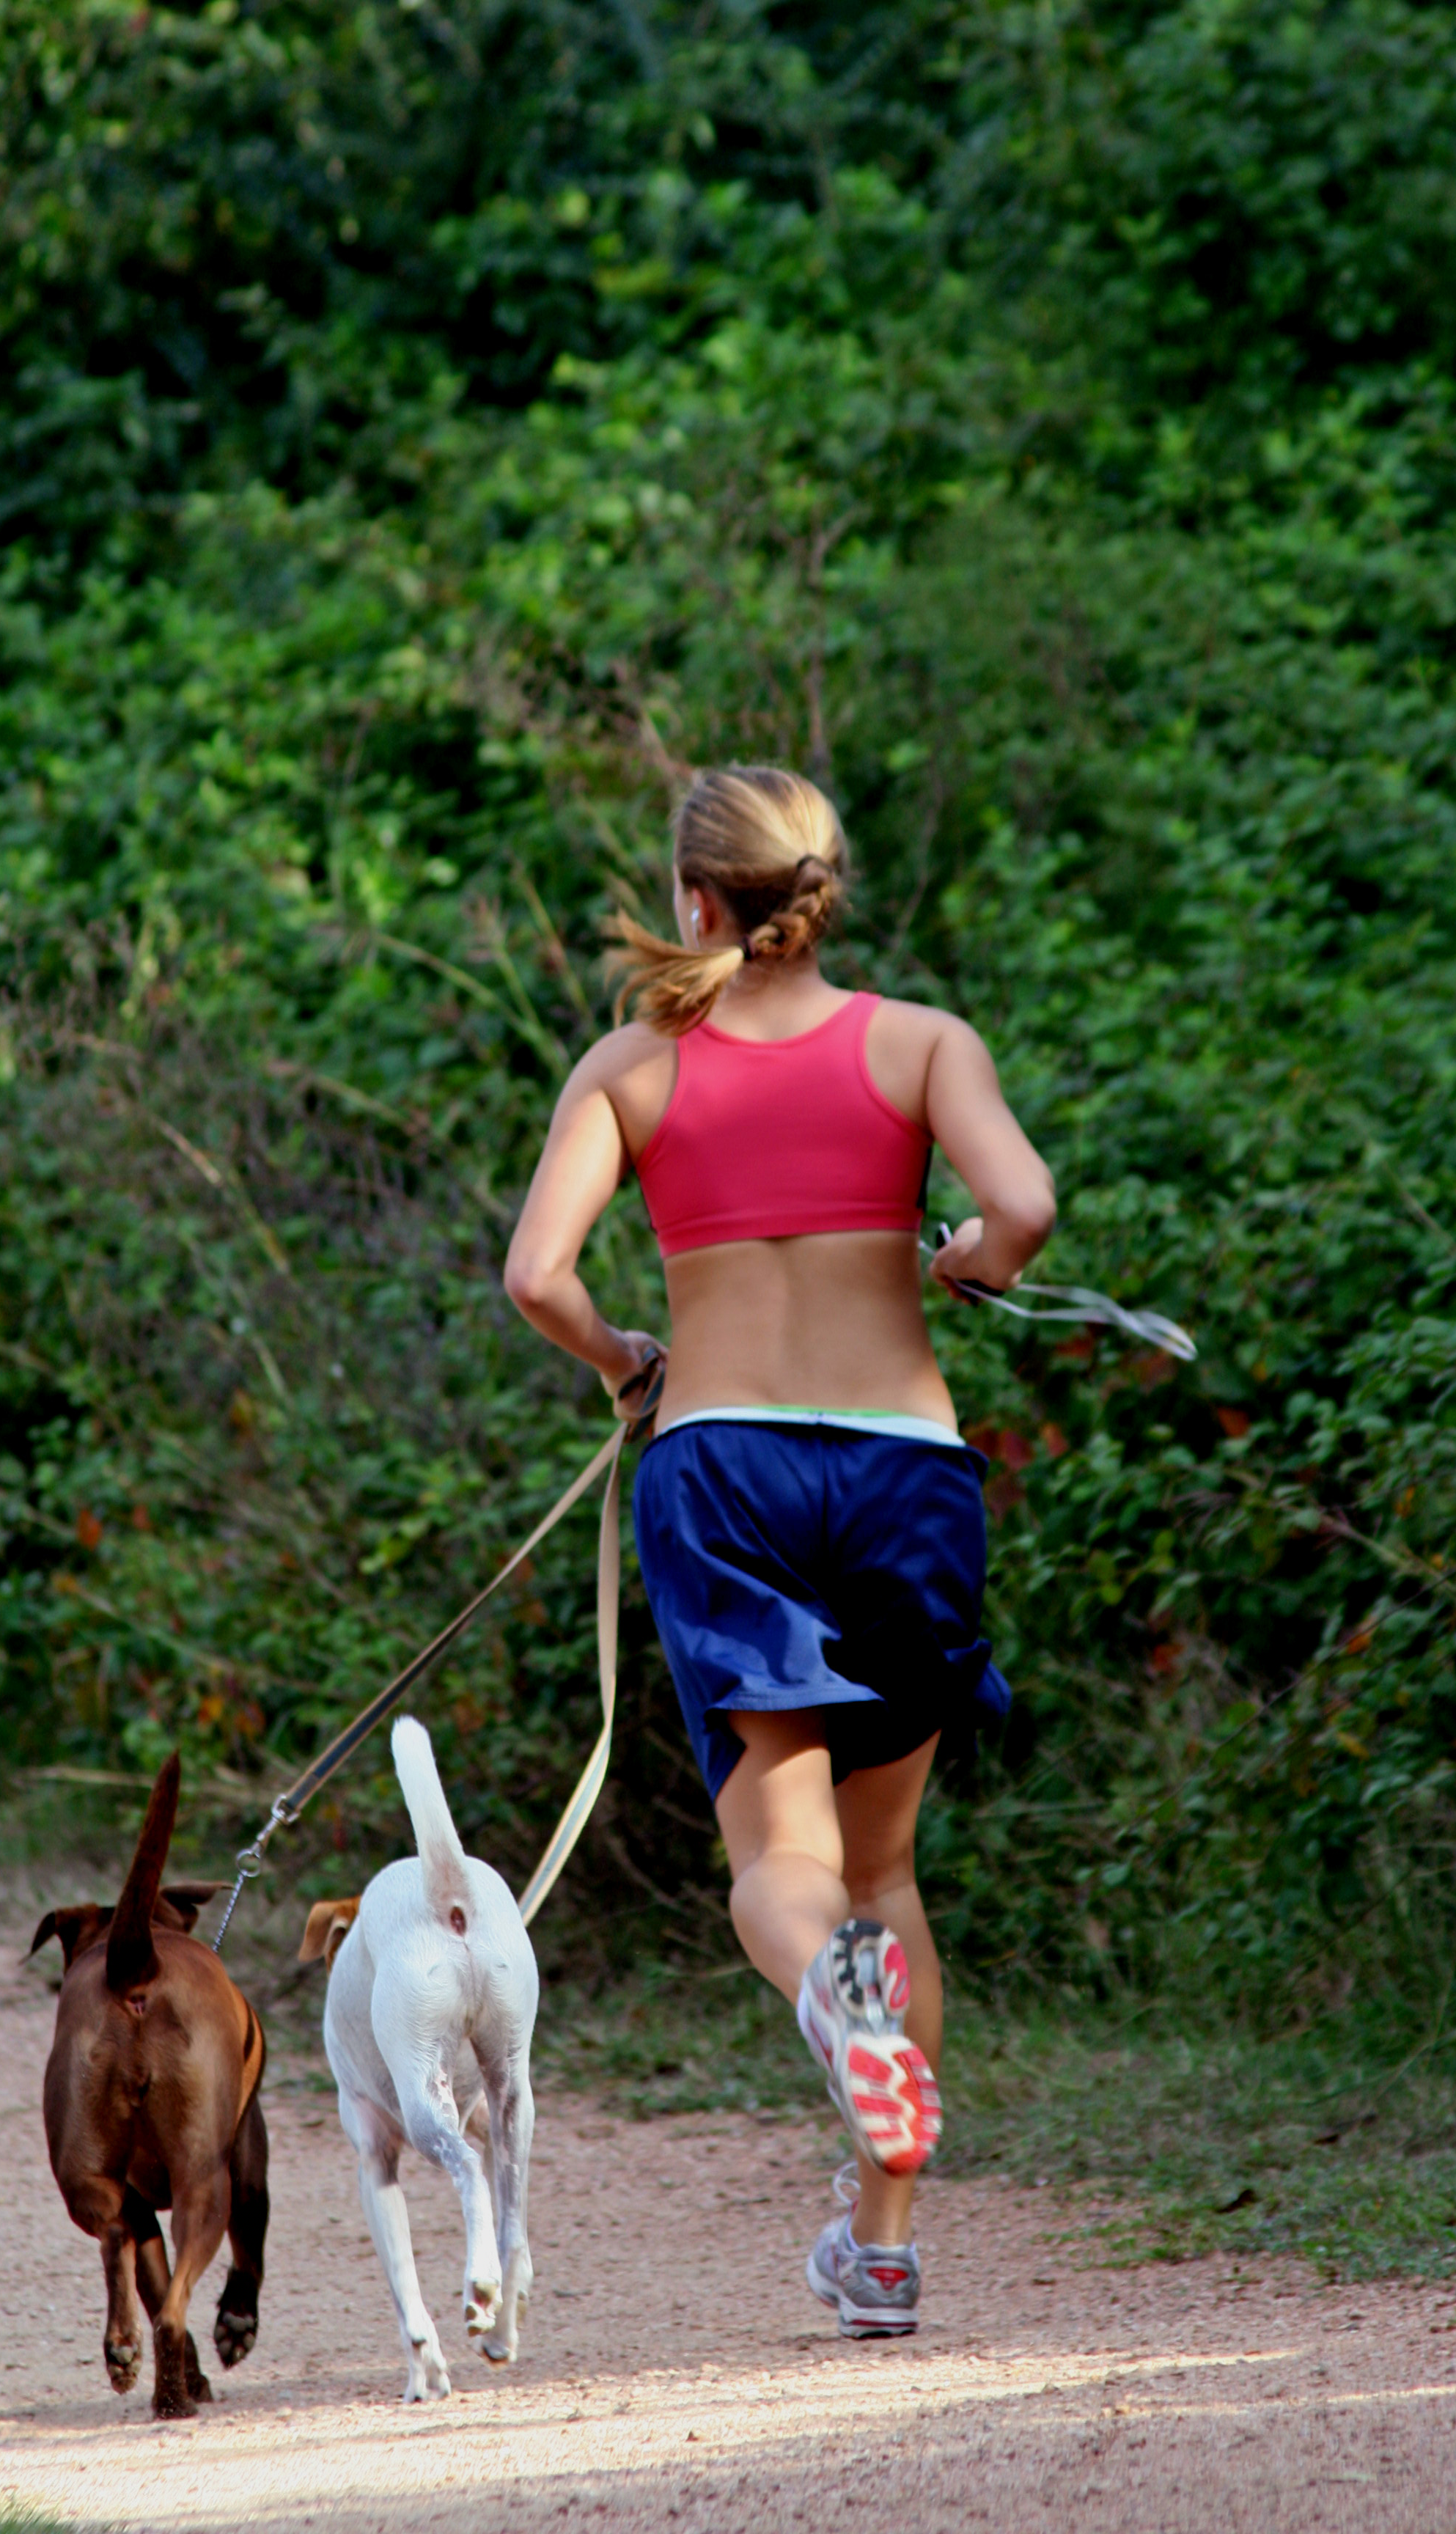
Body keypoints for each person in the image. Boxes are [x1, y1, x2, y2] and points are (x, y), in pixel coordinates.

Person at [504, 765, 1055, 2338]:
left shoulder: (632, 1068)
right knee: (882, 1870)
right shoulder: (922, 1045)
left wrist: (625, 1358)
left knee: (783, 1870)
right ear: (823, 893)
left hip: (727, 1465)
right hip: (905, 1470)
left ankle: (829, 1993)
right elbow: (1024, 1200)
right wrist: (974, 1259)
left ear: (696, 901)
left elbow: (539, 1274)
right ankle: (881, 2249)